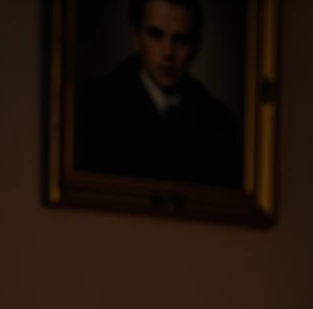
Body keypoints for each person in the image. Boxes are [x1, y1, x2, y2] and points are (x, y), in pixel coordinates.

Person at [75, 0, 242, 187]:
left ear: (196, 45)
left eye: (181, 39)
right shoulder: (92, 107)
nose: (168, 52)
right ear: (136, 36)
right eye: (156, 35)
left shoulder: (220, 124)